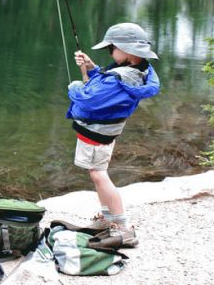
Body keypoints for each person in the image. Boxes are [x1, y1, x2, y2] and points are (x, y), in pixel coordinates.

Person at [66, 23, 161, 248]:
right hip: (106, 132)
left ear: (127, 50)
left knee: (99, 174)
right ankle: (108, 219)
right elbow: (108, 85)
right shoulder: (138, 72)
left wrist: (75, 86)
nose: (110, 53)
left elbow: (90, 98)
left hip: (97, 134)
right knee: (98, 173)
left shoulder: (120, 78)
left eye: (112, 49)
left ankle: (122, 227)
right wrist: (91, 68)